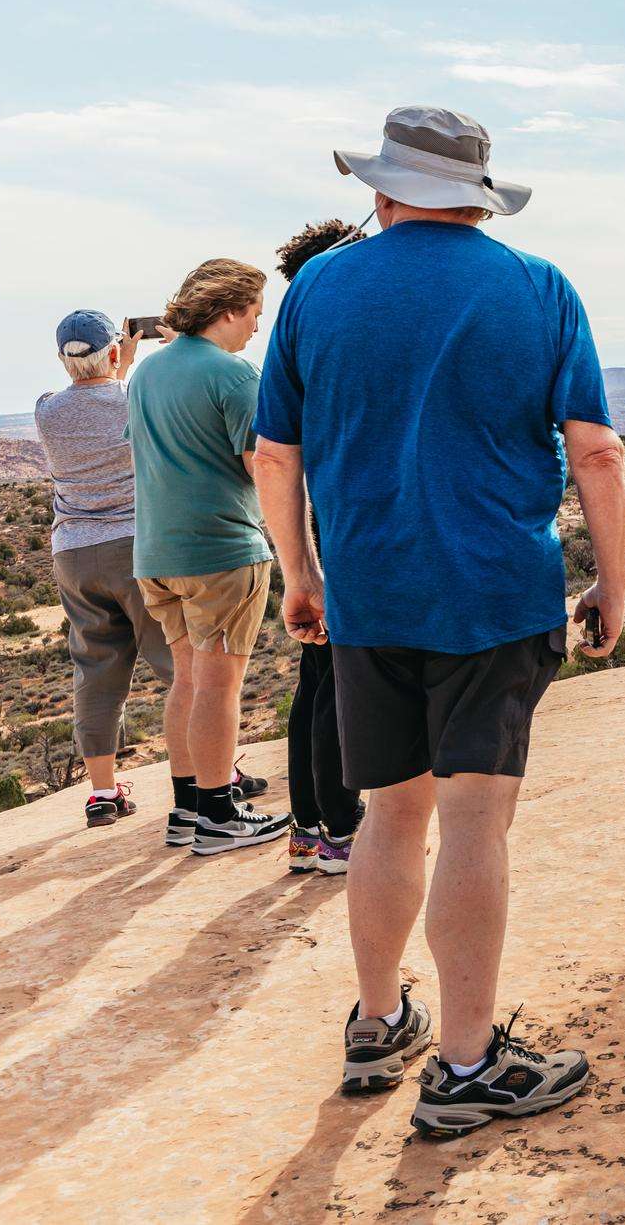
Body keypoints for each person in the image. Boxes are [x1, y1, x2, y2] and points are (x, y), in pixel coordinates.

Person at [253, 106, 625, 1140]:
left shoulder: (318, 286)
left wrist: (301, 574)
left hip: (370, 592)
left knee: (390, 811)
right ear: (477, 198)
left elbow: (275, 454)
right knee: (472, 818)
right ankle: (467, 1065)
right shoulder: (538, 287)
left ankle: (377, 1023)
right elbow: (596, 450)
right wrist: (613, 578)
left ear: (384, 189)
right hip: (496, 590)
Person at [129, 259, 287, 853]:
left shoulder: (147, 371)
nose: (257, 326)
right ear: (228, 310)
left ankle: (188, 807)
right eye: (254, 313)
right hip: (221, 551)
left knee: (188, 681)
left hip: (156, 552)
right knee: (220, 686)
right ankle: (220, 813)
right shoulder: (235, 374)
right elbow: (263, 467)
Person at [33, 310, 178, 828]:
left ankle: (101, 793)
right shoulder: (134, 395)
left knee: (95, 669)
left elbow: (89, 398)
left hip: (73, 554)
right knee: (177, 663)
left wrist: (116, 366)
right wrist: (137, 363)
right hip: (137, 546)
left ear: (61, 359)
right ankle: (213, 776)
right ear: (115, 351)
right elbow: (123, 404)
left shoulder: (46, 410)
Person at [271, 220, 370, 874]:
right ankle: (340, 827)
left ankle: (307, 827)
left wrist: (297, 564)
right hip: (349, 522)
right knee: (337, 678)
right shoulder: (343, 332)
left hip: (319, 519)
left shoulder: (298, 333)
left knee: (315, 679)